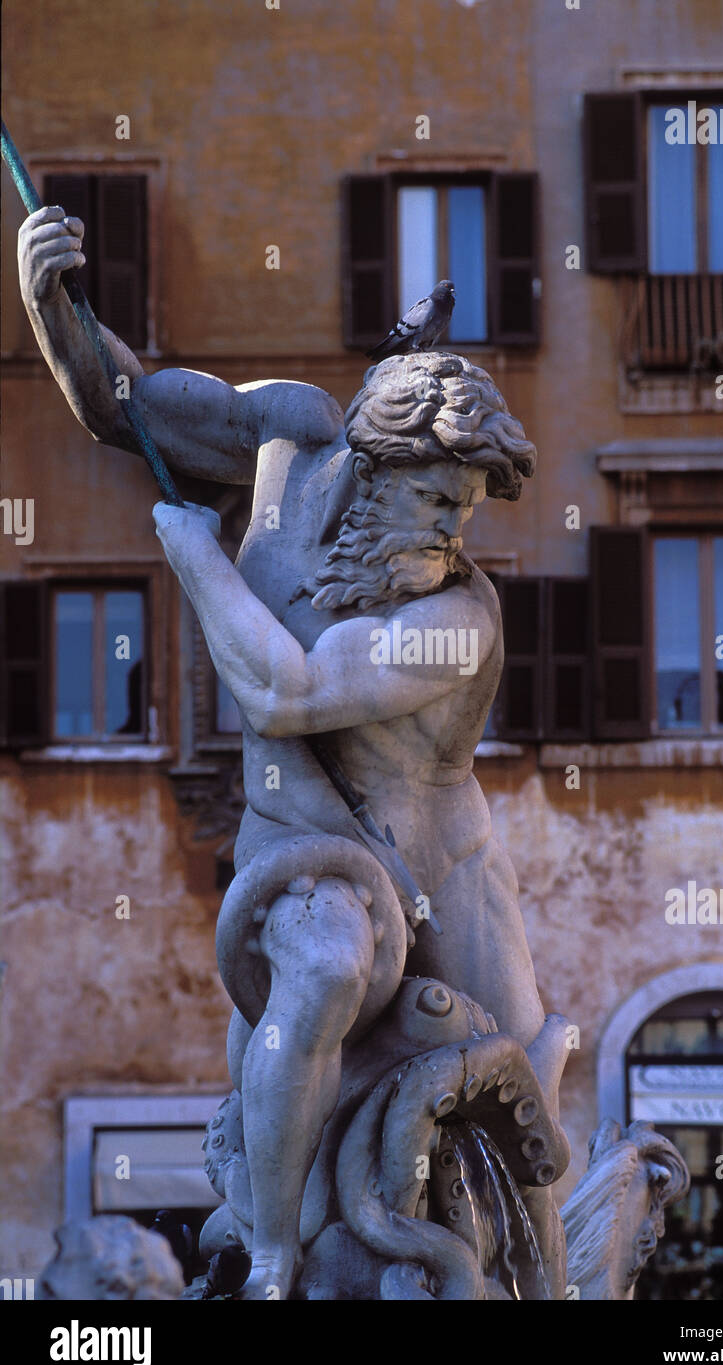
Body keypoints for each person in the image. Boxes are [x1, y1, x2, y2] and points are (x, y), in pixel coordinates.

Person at [19, 205, 567, 1299]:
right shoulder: (286, 439)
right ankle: (273, 1254)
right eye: (432, 496)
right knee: (319, 971)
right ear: (371, 463)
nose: (449, 532)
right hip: (305, 832)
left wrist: (195, 559)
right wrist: (48, 298)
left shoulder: (459, 618)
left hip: (444, 866)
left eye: (464, 510)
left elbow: (285, 688)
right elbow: (122, 404)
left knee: (525, 1123)